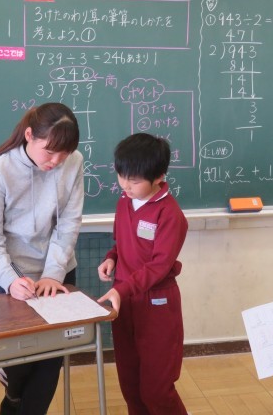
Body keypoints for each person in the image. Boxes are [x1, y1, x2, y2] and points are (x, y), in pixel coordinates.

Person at [0, 102, 84, 415]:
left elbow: (68, 224)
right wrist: (11, 281)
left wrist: (53, 274)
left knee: (49, 364)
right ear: (29, 136)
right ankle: (11, 403)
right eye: (50, 151)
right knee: (17, 367)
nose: (56, 160)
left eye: (64, 153)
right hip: (11, 277)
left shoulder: (74, 162)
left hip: (57, 273)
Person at [97, 133, 188, 415]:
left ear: (159, 177)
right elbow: (121, 242)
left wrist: (121, 288)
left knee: (156, 391)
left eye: (134, 181)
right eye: (121, 176)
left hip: (156, 304)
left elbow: (159, 266)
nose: (125, 185)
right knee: (131, 386)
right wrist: (111, 258)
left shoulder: (170, 215)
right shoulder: (124, 201)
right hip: (124, 302)